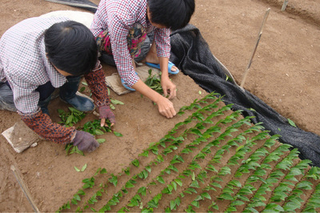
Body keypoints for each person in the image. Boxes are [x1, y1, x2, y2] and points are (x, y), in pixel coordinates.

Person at [0, 16, 115, 152]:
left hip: (36, 49)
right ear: (49, 58)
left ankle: (68, 95)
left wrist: (103, 103)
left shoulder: (79, 40)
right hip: (9, 75)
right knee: (25, 94)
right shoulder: (25, 70)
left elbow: (93, 69)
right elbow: (31, 118)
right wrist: (73, 136)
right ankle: (41, 105)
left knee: (75, 69)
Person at [90, 0, 195, 119]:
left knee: (145, 38)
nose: (166, 29)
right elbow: (126, 72)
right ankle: (128, 60)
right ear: (151, 10)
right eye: (164, 25)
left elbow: (163, 39)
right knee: (137, 33)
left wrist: (164, 76)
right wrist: (158, 99)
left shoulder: (162, 6)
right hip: (103, 38)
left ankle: (152, 57)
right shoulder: (121, 16)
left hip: (134, 27)